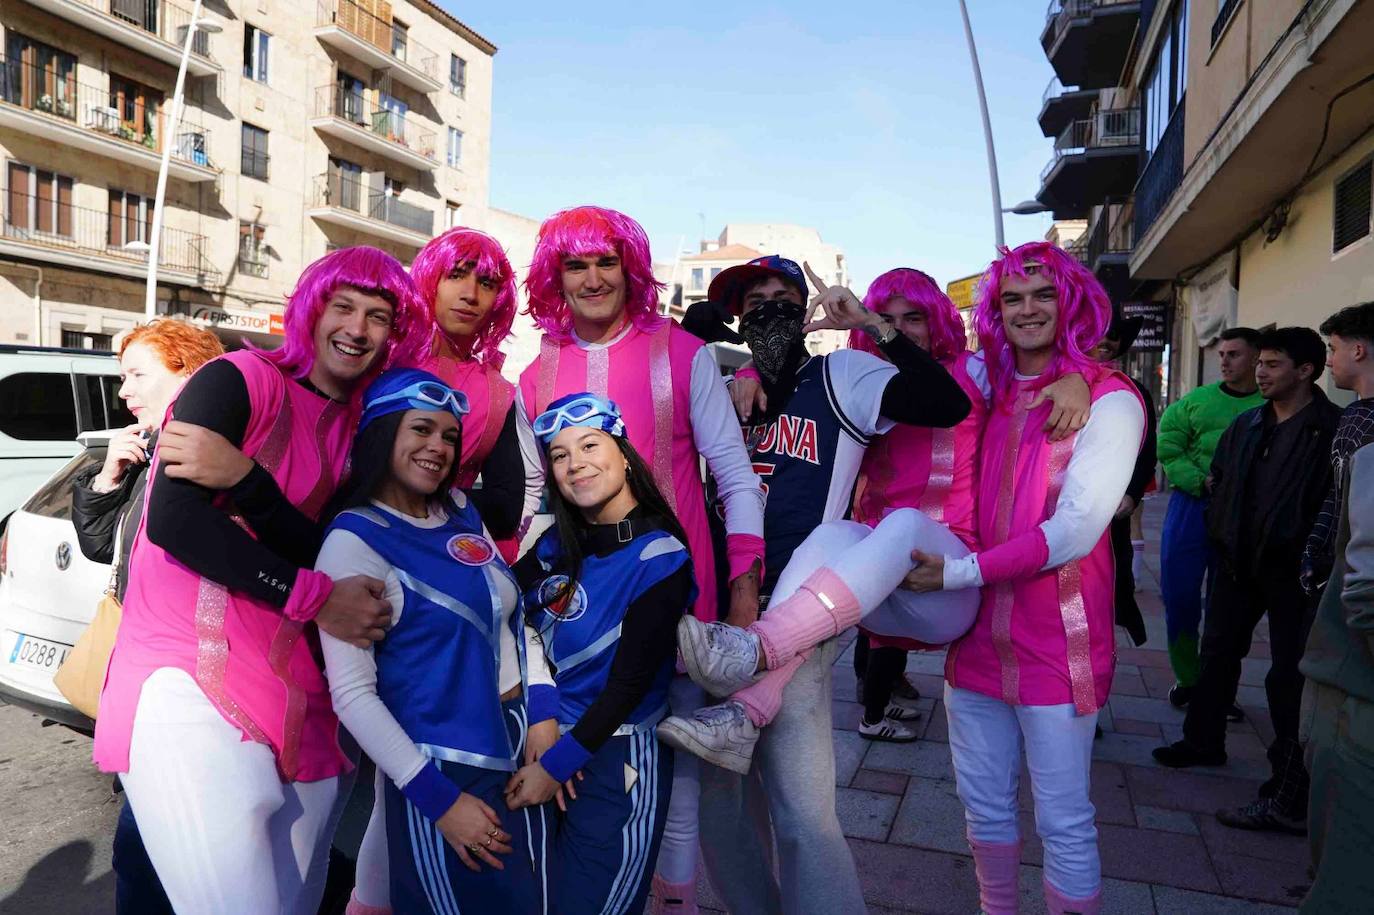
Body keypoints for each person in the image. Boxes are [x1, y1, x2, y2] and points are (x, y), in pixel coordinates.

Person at [91, 247, 424, 914]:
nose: (358, 327)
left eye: (379, 316)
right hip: (189, 682)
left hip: (306, 700)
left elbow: (335, 548)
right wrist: (315, 594)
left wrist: (247, 482)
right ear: (312, 308)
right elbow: (175, 523)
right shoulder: (237, 378)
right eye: (344, 305)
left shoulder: (362, 430)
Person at [662, 253, 969, 915]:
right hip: (720, 614)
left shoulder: (843, 374)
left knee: (802, 813)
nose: (770, 306)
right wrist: (734, 366)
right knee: (722, 816)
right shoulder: (721, 385)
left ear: (805, 310)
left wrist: (867, 324)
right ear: (740, 319)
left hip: (801, 615)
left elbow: (944, 402)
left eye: (783, 295)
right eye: (756, 299)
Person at [515, 205, 764, 912]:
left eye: (606, 262)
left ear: (629, 270)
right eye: (575, 264)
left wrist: (743, 587)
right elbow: (538, 493)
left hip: (676, 594)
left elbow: (734, 474)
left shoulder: (682, 352)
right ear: (554, 276)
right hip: (579, 605)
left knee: (674, 774)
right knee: (581, 767)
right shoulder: (540, 369)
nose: (593, 278)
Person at [901, 242, 1144, 915]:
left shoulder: (1113, 401)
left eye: (1043, 294)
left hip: (1057, 645)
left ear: (1070, 302)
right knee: (983, 811)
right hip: (976, 640)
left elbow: (1075, 530)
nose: (1028, 309)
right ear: (996, 312)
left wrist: (957, 572)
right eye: (1012, 297)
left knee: (1064, 818)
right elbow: (919, 360)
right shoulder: (991, 391)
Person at [318, 369, 550, 914]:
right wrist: (440, 802)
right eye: (421, 429)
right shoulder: (353, 540)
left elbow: (512, 619)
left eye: (449, 436)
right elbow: (352, 696)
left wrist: (542, 709)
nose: (438, 447)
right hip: (444, 770)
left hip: (514, 750)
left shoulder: (463, 512)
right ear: (382, 433)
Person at [504, 392, 696, 915]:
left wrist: (559, 766)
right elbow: (510, 618)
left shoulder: (661, 557)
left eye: (589, 444)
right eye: (560, 455)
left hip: (615, 756)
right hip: (543, 742)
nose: (575, 463)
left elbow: (628, 687)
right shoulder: (554, 546)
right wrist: (543, 721)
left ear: (624, 453)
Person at [1154, 328, 1340, 835]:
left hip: (1292, 574)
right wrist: (1221, 535)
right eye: (1260, 363)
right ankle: (1202, 741)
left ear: (1306, 371)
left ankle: (1287, 781)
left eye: (1273, 365)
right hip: (1237, 562)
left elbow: (1331, 505)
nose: (1261, 372)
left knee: (1288, 675)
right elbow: (1220, 481)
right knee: (1217, 653)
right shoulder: (1248, 424)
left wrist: (1306, 561)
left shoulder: (1330, 429)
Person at [70, 319, 224, 915]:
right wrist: (108, 477)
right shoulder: (152, 446)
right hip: (142, 672)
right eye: (122, 377)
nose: (125, 391)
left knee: (151, 859)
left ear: (187, 369)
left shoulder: (207, 449)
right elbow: (99, 543)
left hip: (190, 684)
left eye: (138, 374)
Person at [845, 268, 989, 742]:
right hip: (879, 525)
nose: (902, 329)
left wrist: (1081, 379)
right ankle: (871, 711)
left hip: (952, 539)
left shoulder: (974, 370)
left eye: (914, 318)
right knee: (878, 630)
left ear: (937, 321)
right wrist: (744, 370)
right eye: (885, 318)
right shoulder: (864, 377)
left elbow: (1037, 379)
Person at [1298, 301, 1374, 913]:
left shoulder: (1362, 428)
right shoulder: (1357, 423)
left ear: (1362, 349)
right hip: (1343, 648)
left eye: (1334, 347)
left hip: (1354, 667)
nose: (1329, 361)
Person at [411, 227, 539, 558]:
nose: (471, 294)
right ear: (429, 281)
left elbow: (506, 507)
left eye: (486, 283)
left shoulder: (498, 393)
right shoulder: (383, 363)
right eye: (456, 275)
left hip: (448, 559)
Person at [1157, 327, 1262, 706]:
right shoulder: (1196, 401)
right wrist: (1198, 480)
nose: (1225, 361)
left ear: (1255, 359)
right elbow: (1168, 446)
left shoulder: (1270, 406)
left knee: (1229, 606)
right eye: (1222, 354)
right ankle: (1187, 679)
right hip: (1191, 507)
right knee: (1180, 596)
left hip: (1243, 518)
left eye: (1234, 354)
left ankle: (1219, 689)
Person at [1089, 314, 1157, 647]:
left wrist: (1130, 496)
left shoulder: (1136, 392)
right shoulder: (1056, 381)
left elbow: (1147, 450)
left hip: (1110, 511)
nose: (1105, 341)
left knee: (1109, 584)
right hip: (1052, 508)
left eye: (1113, 336)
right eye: (1097, 334)